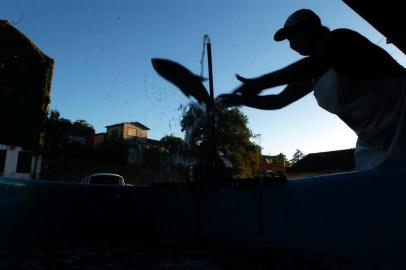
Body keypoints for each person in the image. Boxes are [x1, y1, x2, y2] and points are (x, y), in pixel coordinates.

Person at [217, 9, 406, 171]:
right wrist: (241, 101)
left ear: (313, 28)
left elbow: (316, 63)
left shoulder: (343, 39)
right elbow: (278, 101)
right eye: (288, 39)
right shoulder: (312, 74)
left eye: (295, 34)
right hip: (374, 147)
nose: (291, 43)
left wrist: (259, 83)